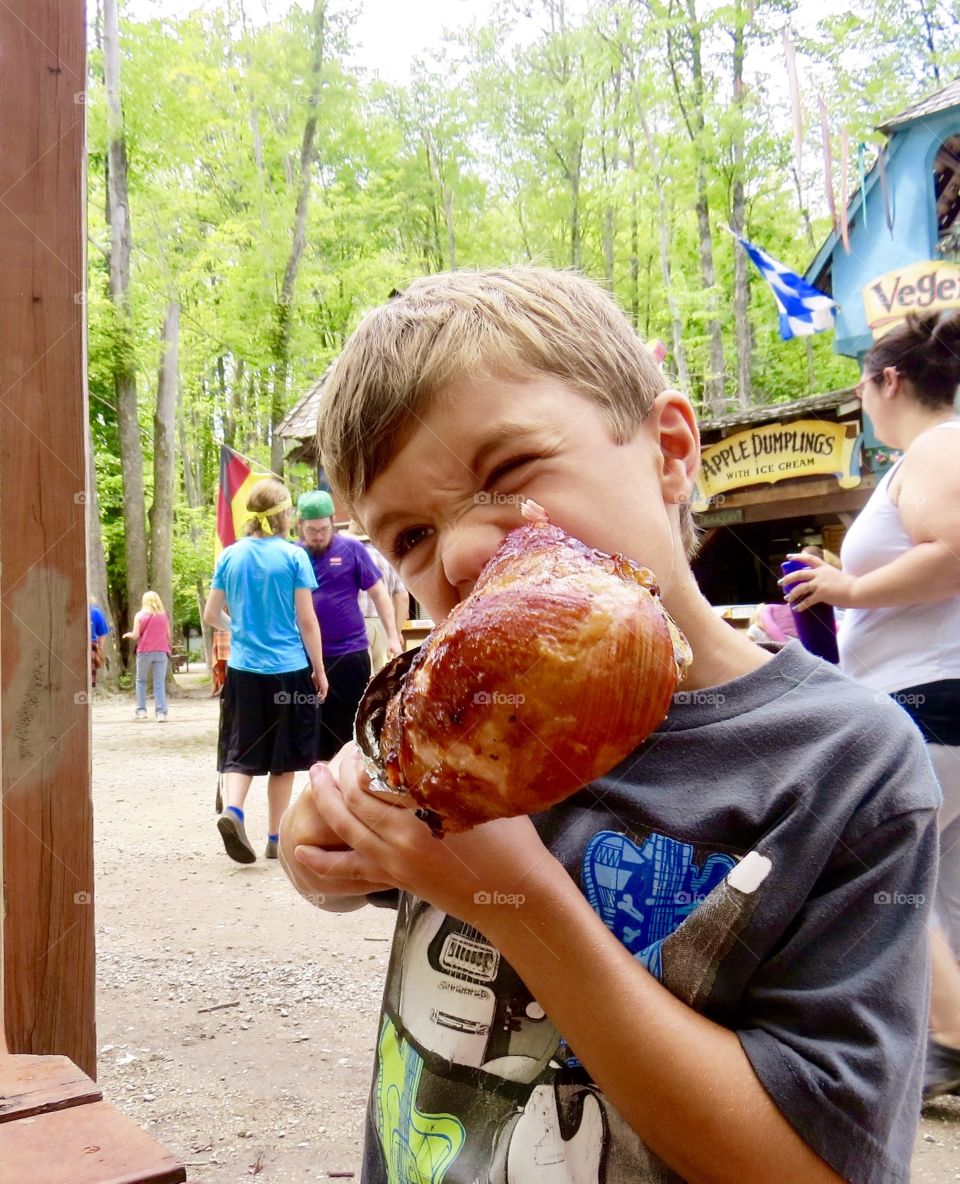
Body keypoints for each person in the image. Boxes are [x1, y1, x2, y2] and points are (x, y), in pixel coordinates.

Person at [279, 267, 938, 1184]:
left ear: (670, 451)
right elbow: (331, 852)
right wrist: (318, 842)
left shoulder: (845, 766)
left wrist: (514, 898)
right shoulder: (464, 731)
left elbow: (813, 1167)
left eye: (506, 473)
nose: (465, 552)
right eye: (411, 540)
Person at [780, 309, 960, 1101]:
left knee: (870, 864)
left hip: (928, 701)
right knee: (937, 883)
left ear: (890, 379)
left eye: (862, 381)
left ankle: (949, 1043)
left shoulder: (936, 446)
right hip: (936, 697)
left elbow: (953, 550)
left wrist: (847, 586)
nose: (861, 397)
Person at [204, 478, 327, 864]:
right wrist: (319, 669)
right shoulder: (293, 557)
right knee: (284, 758)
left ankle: (234, 811)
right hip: (289, 670)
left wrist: (237, 628)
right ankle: (275, 837)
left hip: (243, 670)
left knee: (242, 749)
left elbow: (210, 615)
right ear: (283, 515)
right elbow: (307, 621)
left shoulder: (230, 555)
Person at [297, 491, 403, 760]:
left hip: (350, 653)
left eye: (323, 529)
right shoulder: (293, 555)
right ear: (300, 526)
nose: (319, 536)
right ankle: (320, 784)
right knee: (314, 732)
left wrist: (393, 634)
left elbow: (380, 593)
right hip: (306, 656)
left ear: (333, 522)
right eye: (312, 530)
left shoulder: (352, 549)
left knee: (350, 729)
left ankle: (349, 783)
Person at [347, 519, 411, 674]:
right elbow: (403, 598)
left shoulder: (348, 557)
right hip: (383, 625)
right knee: (381, 679)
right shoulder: (387, 559)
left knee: (362, 680)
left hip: (357, 627)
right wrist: (395, 632)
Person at [123, 591, 172, 721]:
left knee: (141, 681)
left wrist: (127, 634)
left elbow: (135, 635)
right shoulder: (164, 616)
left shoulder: (139, 615)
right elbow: (168, 635)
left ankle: (141, 710)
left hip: (144, 651)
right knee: (159, 683)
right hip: (161, 651)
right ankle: (161, 712)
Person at [89, 598, 110, 691]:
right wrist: (99, 648)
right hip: (91, 647)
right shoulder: (95, 612)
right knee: (88, 679)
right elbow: (102, 634)